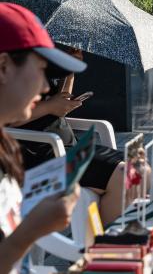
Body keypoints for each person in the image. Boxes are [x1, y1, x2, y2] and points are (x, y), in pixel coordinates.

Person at [0, 3, 85, 272]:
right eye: (40, 69)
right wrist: (32, 229)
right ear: (3, 66)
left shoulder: (5, 144)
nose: (47, 86)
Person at [15, 47, 127, 226]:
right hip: (43, 156)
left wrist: (70, 68)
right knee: (125, 175)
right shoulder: (16, 67)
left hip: (67, 147)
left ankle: (97, 238)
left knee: (134, 167)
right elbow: (9, 117)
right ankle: (97, 244)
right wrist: (49, 106)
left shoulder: (37, 62)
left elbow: (60, 100)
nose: (44, 86)